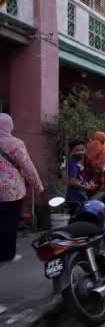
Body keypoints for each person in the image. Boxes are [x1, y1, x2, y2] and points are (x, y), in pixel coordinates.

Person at [0, 113, 44, 264]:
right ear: (9, 126)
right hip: (11, 191)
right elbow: (27, 166)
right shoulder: (15, 143)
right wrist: (38, 186)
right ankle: (7, 255)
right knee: (9, 223)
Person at [65, 139, 95, 209]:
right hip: (75, 197)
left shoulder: (77, 163)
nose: (80, 152)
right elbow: (72, 181)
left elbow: (79, 178)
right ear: (71, 152)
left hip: (80, 195)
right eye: (77, 150)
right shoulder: (73, 164)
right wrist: (86, 187)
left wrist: (87, 183)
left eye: (82, 150)